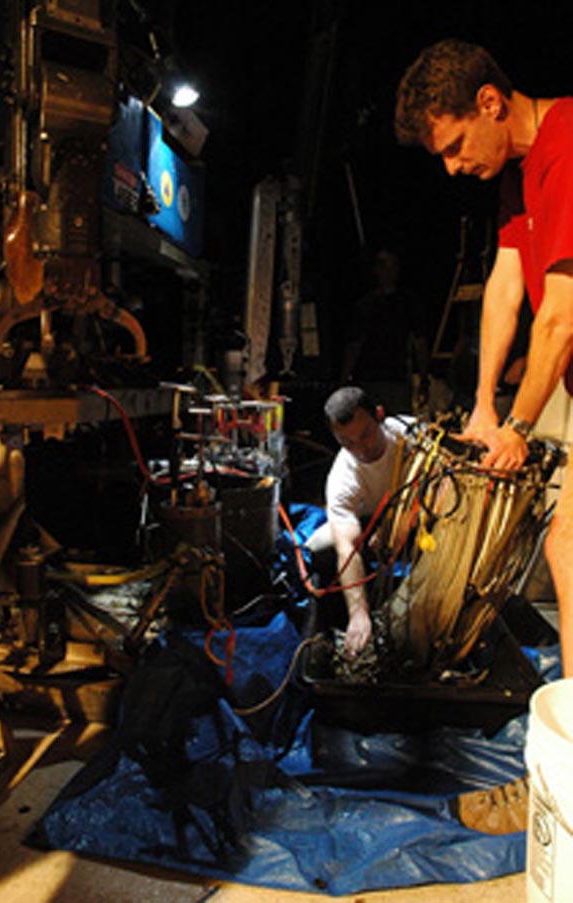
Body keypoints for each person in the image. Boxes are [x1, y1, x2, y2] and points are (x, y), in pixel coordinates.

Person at [394, 36, 573, 835]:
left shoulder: (568, 146)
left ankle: (561, 782)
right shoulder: (518, 177)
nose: (452, 166)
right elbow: (508, 287)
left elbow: (563, 315)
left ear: (491, 103)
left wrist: (522, 425)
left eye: (457, 144)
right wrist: (482, 404)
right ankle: (559, 774)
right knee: (568, 548)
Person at [306, 385, 410, 657]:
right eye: (347, 443)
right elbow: (347, 548)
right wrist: (358, 613)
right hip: (368, 522)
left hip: (419, 515)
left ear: (379, 415)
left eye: (365, 435)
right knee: (319, 548)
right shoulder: (342, 477)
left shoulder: (411, 436)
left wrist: (402, 523)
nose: (361, 449)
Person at [341, 248, 429, 415]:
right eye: (383, 265)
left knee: (397, 429)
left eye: (392, 265)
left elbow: (420, 342)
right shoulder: (365, 305)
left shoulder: (408, 303)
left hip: (397, 379)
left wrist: (424, 378)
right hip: (369, 380)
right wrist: (344, 380)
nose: (388, 271)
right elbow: (354, 345)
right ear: (376, 270)